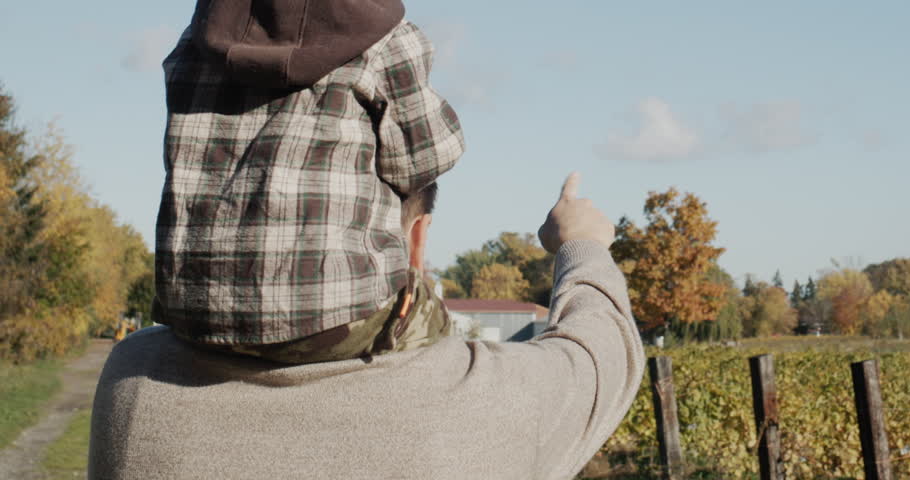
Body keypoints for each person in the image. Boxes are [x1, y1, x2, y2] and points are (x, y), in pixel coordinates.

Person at [153, 0, 464, 364]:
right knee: (429, 315)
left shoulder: (201, 36)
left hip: (194, 314)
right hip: (330, 317)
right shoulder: (385, 38)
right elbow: (424, 157)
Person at [89, 173, 644, 480]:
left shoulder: (137, 380)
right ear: (418, 238)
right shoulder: (487, 403)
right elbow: (604, 349)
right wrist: (581, 243)